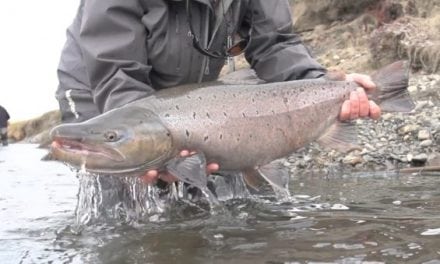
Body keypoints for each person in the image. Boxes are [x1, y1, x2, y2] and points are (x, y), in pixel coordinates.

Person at [55, 0, 381, 185]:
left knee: (207, 185)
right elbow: (116, 71)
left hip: (188, 103)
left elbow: (275, 43)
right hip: (98, 88)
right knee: (128, 188)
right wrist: (150, 158)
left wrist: (320, 84)